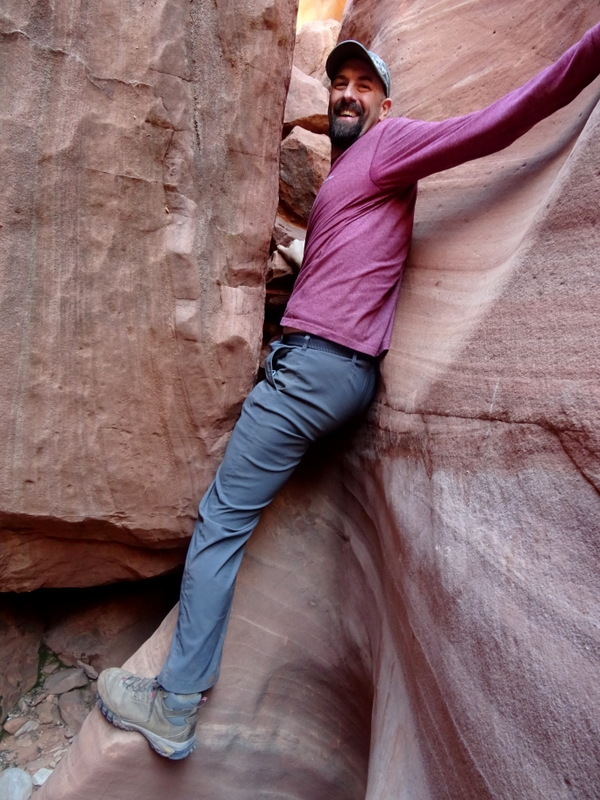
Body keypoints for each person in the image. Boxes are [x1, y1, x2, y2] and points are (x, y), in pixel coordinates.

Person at [97, 27, 600, 760]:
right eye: (339, 82)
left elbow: (500, 119)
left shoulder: (388, 149)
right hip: (340, 377)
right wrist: (296, 256)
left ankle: (174, 703)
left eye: (364, 86)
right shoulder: (343, 178)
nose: (346, 93)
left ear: (385, 106)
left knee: (219, 521)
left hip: (313, 372)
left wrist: (589, 51)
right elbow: (342, 253)